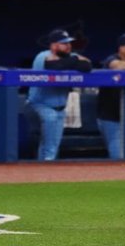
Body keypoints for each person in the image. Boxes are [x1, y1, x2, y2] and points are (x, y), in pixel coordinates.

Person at [27, 29, 92, 161]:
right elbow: (54, 66)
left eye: (69, 43)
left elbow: (87, 66)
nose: (68, 46)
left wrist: (72, 59)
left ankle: (39, 171)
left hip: (60, 107)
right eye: (64, 43)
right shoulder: (42, 55)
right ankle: (47, 171)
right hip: (40, 104)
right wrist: (74, 60)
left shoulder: (68, 56)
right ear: (53, 45)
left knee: (49, 145)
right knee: (50, 147)